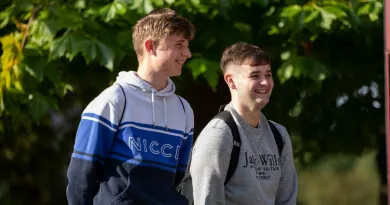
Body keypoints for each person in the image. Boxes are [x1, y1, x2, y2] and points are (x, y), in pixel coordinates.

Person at [66, 8, 195, 205]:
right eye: (179, 45)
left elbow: (179, 177)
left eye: (187, 45)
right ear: (150, 46)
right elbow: (82, 174)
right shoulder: (113, 100)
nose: (188, 53)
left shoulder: (184, 109)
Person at [190, 42, 298, 205]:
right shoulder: (218, 135)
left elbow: (287, 200)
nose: (265, 82)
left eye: (268, 75)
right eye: (255, 75)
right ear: (231, 81)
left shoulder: (279, 135)